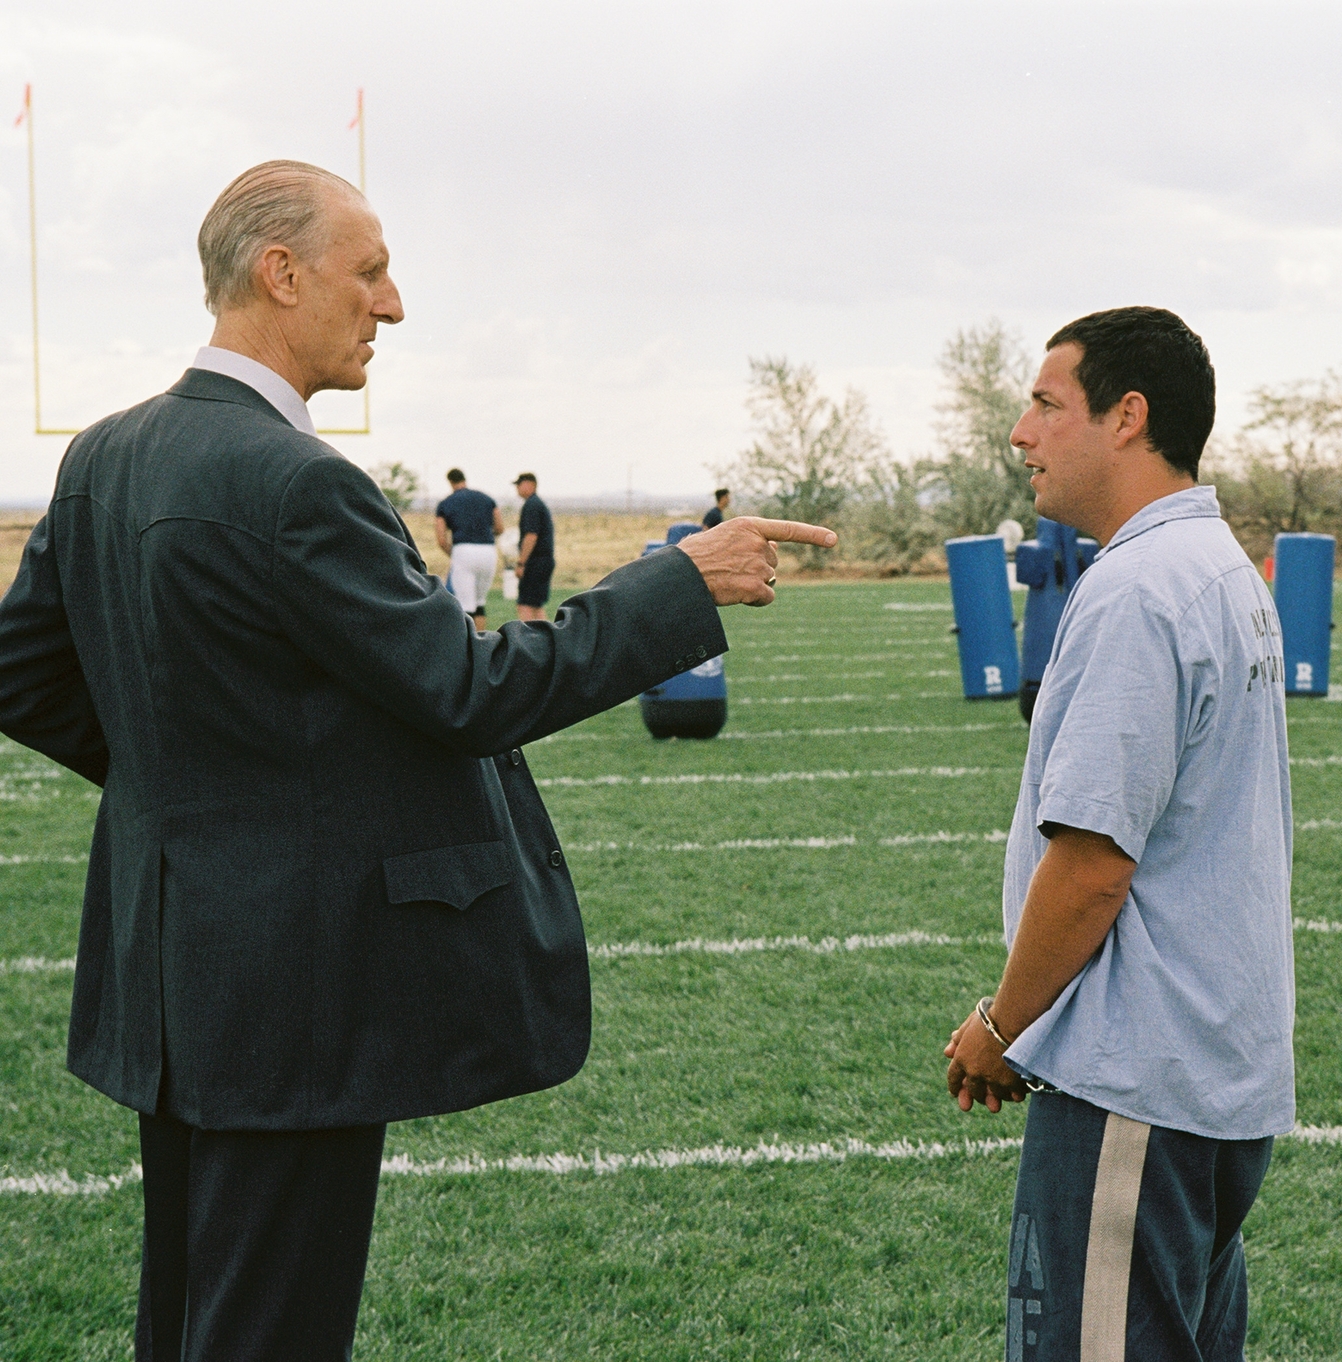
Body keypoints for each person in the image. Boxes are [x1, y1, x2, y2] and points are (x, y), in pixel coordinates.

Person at [0, 159, 834, 1360]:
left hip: (174, 974)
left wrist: (201, 796)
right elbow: (469, 689)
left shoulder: (102, 456)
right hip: (290, 989)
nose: (391, 305)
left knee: (190, 1315)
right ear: (279, 275)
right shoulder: (294, 480)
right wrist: (673, 588)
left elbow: (24, 674)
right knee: (267, 1329)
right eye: (371, 271)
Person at [945, 307, 1294, 1362]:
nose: (1021, 432)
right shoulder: (1215, 566)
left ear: (1126, 418)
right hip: (1207, 1074)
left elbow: (1092, 866)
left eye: (1047, 404)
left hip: (1135, 1079)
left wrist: (1001, 1027)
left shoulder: (1137, 590)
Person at [435, 468, 502, 630]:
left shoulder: (446, 503)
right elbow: (499, 528)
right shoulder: (486, 499)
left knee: (466, 605)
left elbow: (441, 539)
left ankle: (468, 647)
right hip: (488, 551)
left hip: (463, 549)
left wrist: (454, 554)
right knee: (479, 603)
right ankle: (482, 645)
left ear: (450, 482)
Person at [512, 472, 555, 622]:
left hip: (535, 562)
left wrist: (521, 562)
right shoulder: (537, 504)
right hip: (544, 561)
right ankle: (546, 642)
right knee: (536, 606)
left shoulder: (532, 505)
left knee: (525, 605)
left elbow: (531, 536)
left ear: (531, 484)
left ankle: (531, 641)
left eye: (519, 484)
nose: (517, 488)